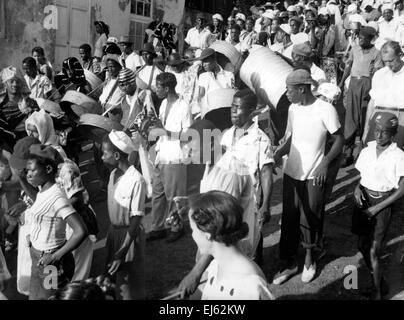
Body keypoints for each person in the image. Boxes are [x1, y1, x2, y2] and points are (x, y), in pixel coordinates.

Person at [272, 69, 344, 285]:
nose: (286, 94)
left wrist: (324, 162)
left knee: (310, 216)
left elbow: (339, 140)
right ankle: (289, 262)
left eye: (289, 90)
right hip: (291, 172)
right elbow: (292, 138)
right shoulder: (293, 109)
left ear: (302, 89)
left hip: (314, 173)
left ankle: (310, 259)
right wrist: (278, 152)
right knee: (290, 216)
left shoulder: (326, 109)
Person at [352, 112, 404, 300]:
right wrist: (357, 188)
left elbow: (401, 190)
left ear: (393, 133)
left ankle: (377, 293)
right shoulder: (367, 150)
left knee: (374, 249)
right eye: (376, 130)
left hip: (382, 203)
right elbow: (363, 175)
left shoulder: (398, 155)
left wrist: (377, 208)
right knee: (361, 244)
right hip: (363, 199)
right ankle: (379, 280)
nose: (379, 135)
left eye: (384, 132)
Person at [188, 191, 274, 300]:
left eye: (193, 230)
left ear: (207, 235)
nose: (192, 235)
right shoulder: (216, 266)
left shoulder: (250, 286)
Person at [26, 144, 86, 300]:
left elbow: (80, 231)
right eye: (27, 171)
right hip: (39, 258)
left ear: (47, 170)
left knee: (51, 297)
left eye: (33, 170)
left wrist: (55, 256)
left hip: (50, 264)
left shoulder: (57, 197)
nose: (29, 175)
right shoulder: (42, 190)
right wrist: (33, 236)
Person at [147, 72, 192, 242]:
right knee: (158, 195)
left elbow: (188, 135)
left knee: (175, 197)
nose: (155, 90)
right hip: (161, 154)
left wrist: (164, 130)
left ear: (166, 88)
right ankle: (158, 227)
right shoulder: (164, 103)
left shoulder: (184, 106)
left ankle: (176, 227)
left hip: (175, 156)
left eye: (158, 87)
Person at [101, 130, 146, 300]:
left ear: (117, 155)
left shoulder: (136, 180)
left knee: (129, 283)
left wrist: (123, 251)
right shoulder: (113, 175)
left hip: (129, 236)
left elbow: (135, 220)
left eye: (105, 153)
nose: (102, 158)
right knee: (113, 281)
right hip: (114, 234)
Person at [339, 26, 383, 167]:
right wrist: (340, 83)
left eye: (364, 38)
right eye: (360, 38)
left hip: (367, 84)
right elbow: (348, 66)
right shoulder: (355, 49)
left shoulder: (376, 53)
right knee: (350, 118)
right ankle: (348, 152)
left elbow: (376, 73)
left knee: (365, 118)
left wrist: (371, 83)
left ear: (371, 39)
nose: (361, 40)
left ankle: (362, 152)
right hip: (353, 82)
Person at [57, 160, 98, 281]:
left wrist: (53, 211)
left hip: (72, 223)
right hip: (60, 226)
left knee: (77, 271)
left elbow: (76, 199)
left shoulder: (67, 169)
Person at [364, 41, 404, 149]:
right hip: (377, 117)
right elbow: (372, 102)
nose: (388, 65)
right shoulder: (379, 74)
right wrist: (366, 129)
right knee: (373, 153)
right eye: (385, 61)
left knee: (395, 155)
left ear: (400, 55)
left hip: (400, 118)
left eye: (391, 60)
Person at [0, 67, 39, 141]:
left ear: (22, 83)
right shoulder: (1, 105)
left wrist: (31, 112)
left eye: (18, 81)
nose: (15, 84)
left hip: (27, 141)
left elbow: (38, 125)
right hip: (5, 142)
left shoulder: (31, 103)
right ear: (5, 84)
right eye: (11, 81)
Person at [197, 48, 235, 118]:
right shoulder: (203, 76)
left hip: (226, 112)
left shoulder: (229, 75)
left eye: (206, 61)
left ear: (214, 59)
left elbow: (232, 94)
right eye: (202, 62)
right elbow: (200, 97)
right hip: (210, 113)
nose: (203, 65)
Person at [312, 7, 337, 84]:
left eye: (326, 15)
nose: (324, 17)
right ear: (319, 16)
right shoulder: (316, 27)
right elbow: (313, 43)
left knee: (330, 79)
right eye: (322, 16)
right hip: (318, 56)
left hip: (328, 57)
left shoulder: (331, 28)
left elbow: (330, 43)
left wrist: (325, 53)